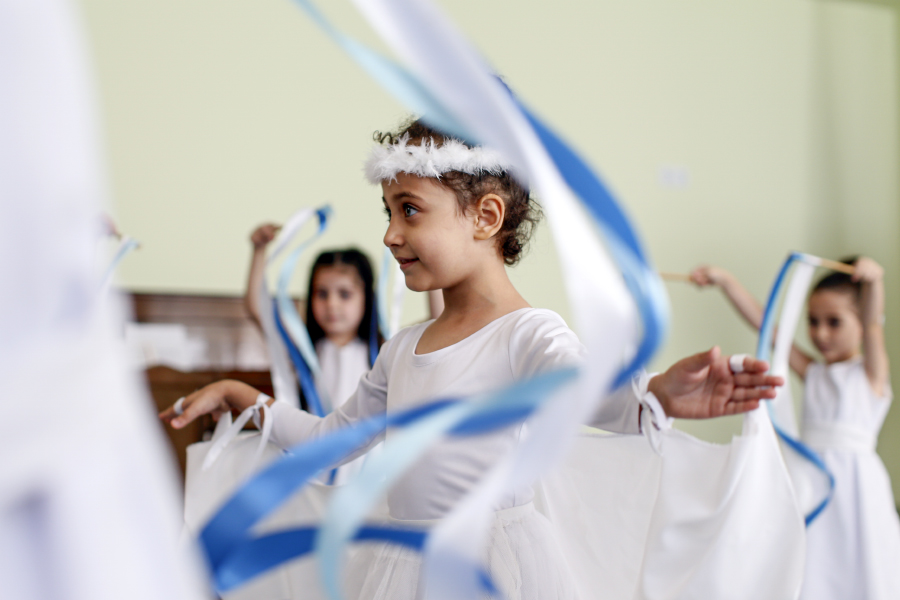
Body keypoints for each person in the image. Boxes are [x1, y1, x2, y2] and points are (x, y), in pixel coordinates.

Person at [162, 120, 782, 600]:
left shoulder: (527, 333)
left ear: (486, 217)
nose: (390, 234)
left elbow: (581, 390)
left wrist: (657, 394)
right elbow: (330, 440)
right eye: (388, 212)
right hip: (403, 568)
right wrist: (242, 396)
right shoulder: (402, 349)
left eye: (410, 209)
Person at [691, 258, 900, 600]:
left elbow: (874, 326)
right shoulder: (814, 373)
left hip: (858, 490)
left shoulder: (871, 376)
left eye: (834, 322)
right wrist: (726, 281)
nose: (820, 333)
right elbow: (769, 328)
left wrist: (874, 283)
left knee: (865, 564)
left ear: (860, 322)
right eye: (813, 322)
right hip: (810, 482)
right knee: (815, 565)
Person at [244, 227, 381, 484]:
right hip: (314, 476)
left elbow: (438, 318)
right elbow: (257, 308)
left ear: (367, 298)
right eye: (322, 293)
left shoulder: (385, 351)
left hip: (366, 478)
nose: (332, 304)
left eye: (344, 294)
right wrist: (259, 250)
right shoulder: (303, 353)